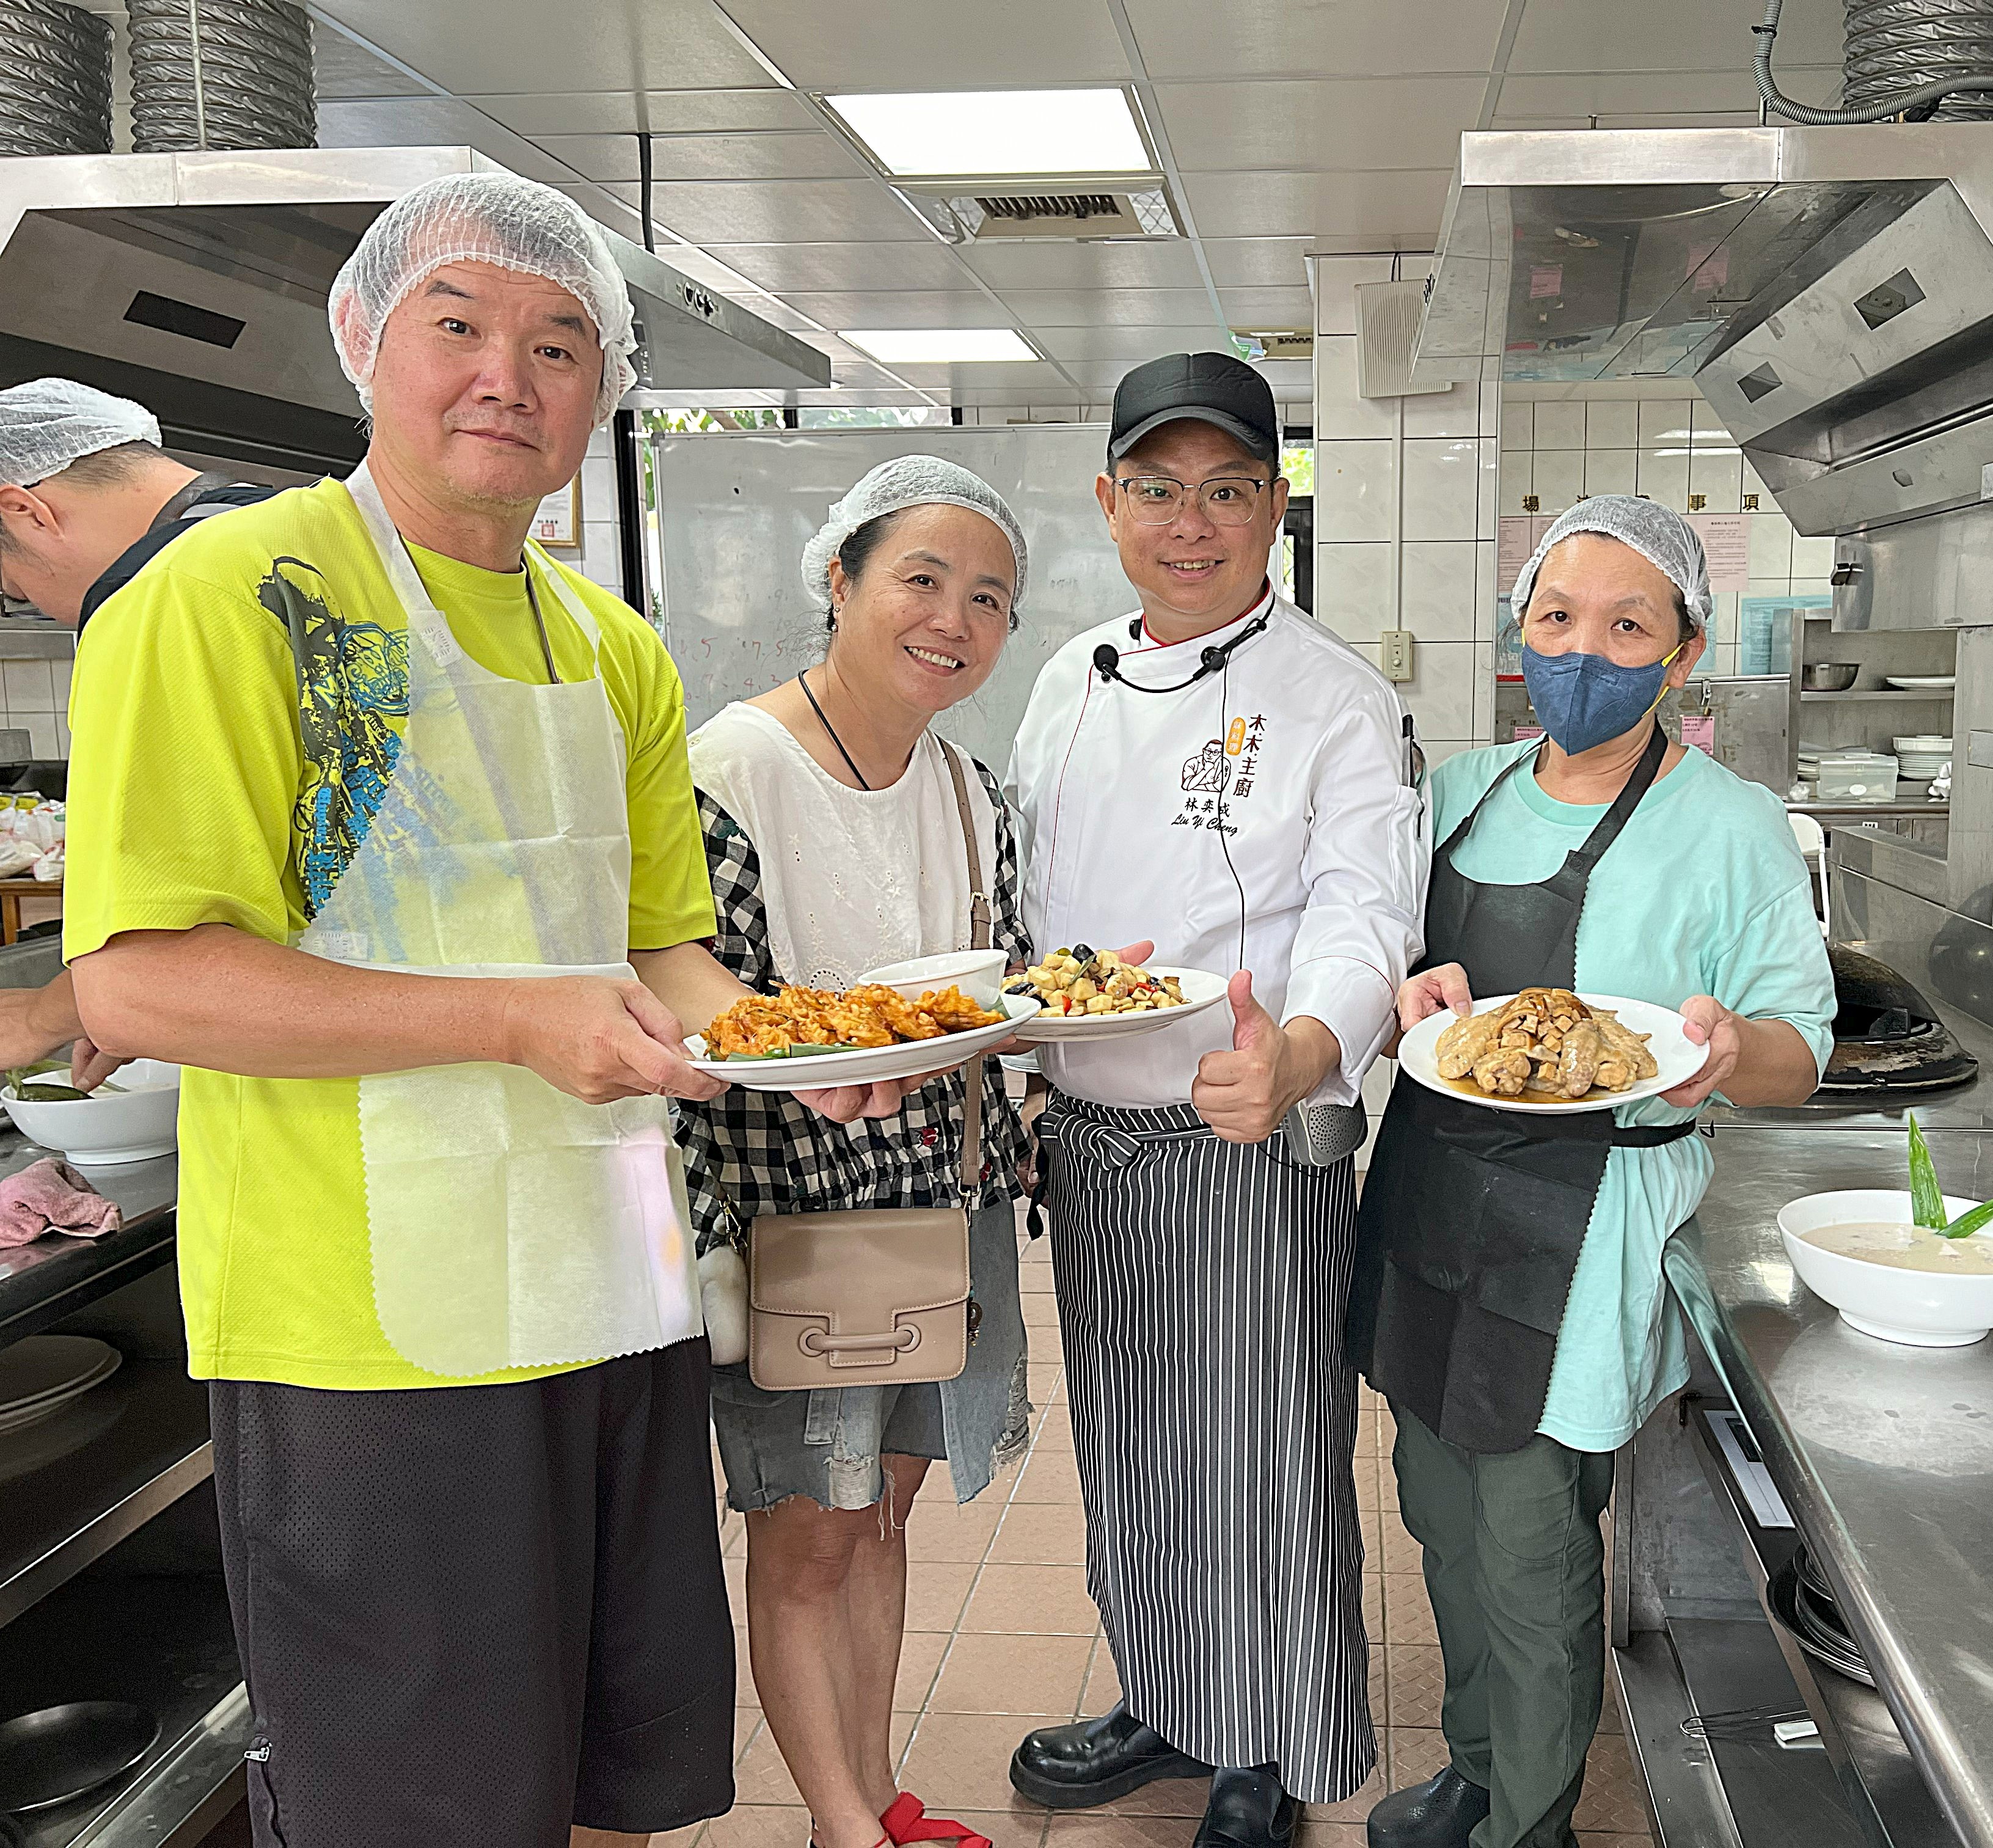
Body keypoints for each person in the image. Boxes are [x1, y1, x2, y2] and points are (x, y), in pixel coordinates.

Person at [62, 172, 880, 1848]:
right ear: (363, 338)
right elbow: (142, 978)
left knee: (615, 1781)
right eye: (460, 326)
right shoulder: (233, 596)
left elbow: (667, 956)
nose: (509, 376)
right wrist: (514, 1022)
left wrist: (796, 1052)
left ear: (605, 387)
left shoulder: (610, 646)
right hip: (368, 1334)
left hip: (613, 1292)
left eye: (560, 343)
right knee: (424, 1812)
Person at [1350, 498, 1835, 1848]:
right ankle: (1475, 1765)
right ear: (1521, 632)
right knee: (1439, 1511)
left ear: (1683, 651)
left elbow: (1802, 1052)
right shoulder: (1461, 791)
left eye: (1628, 626)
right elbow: (1391, 977)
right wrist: (1404, 992)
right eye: (1558, 618)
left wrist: (1726, 1051)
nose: (1584, 652)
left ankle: (1529, 1819)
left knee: (1531, 1545)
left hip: (1585, 1225)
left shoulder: (1732, 824)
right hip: (1431, 1193)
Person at [1004, 351, 1427, 1846]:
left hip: (1245, 1129)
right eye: (1160, 490)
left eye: (1228, 491)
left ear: (1276, 507)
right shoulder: (1068, 677)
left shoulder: (1334, 696)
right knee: (1127, 1436)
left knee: (1258, 1452)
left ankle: (1263, 1742)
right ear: (1109, 502)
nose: (1192, 524)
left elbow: (1367, 910)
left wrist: (1303, 1052)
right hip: (1089, 1133)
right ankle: (1166, 1694)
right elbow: (1038, 901)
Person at [677, 457, 1040, 1848]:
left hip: (944, 1197)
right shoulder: (732, 771)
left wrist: (1060, 999)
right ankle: (840, 1824)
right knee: (808, 1525)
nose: (954, 619)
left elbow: (999, 983)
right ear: (839, 579)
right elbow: (695, 1002)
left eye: (988, 598)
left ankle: (879, 1793)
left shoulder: (967, 790)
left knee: (884, 1508)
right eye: (922, 579)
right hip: (805, 1213)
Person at [0, 378, 279, 1074]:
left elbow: (166, 919)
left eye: (15, 587)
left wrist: (43, 1017)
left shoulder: (160, 596)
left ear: (25, 511)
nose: (45, 608)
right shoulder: (307, 531)